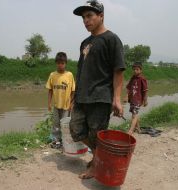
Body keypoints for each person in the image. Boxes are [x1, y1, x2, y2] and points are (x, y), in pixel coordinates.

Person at [70, 0, 126, 179]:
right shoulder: (85, 42)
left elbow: (118, 71)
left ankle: (97, 165)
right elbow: (81, 70)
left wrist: (117, 99)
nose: (86, 20)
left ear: (101, 16)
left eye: (89, 16)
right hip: (82, 96)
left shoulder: (111, 39)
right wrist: (75, 94)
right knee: (75, 129)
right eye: (83, 17)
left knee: (96, 135)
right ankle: (100, 157)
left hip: (100, 97)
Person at [46, 52, 75, 149]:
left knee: (64, 124)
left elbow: (73, 91)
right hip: (56, 105)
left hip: (66, 106)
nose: (60, 65)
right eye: (58, 63)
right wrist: (49, 103)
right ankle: (56, 140)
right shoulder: (52, 75)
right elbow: (50, 90)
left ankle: (64, 140)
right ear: (56, 63)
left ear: (65, 63)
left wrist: (72, 103)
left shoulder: (69, 75)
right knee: (55, 124)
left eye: (62, 63)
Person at [126, 62, 148, 135]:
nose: (135, 71)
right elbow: (129, 88)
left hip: (138, 100)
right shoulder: (133, 78)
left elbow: (145, 91)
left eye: (137, 69)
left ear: (141, 70)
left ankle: (131, 130)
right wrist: (126, 96)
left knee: (134, 115)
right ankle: (138, 129)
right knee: (134, 113)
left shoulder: (142, 79)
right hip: (132, 99)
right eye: (134, 69)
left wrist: (145, 100)